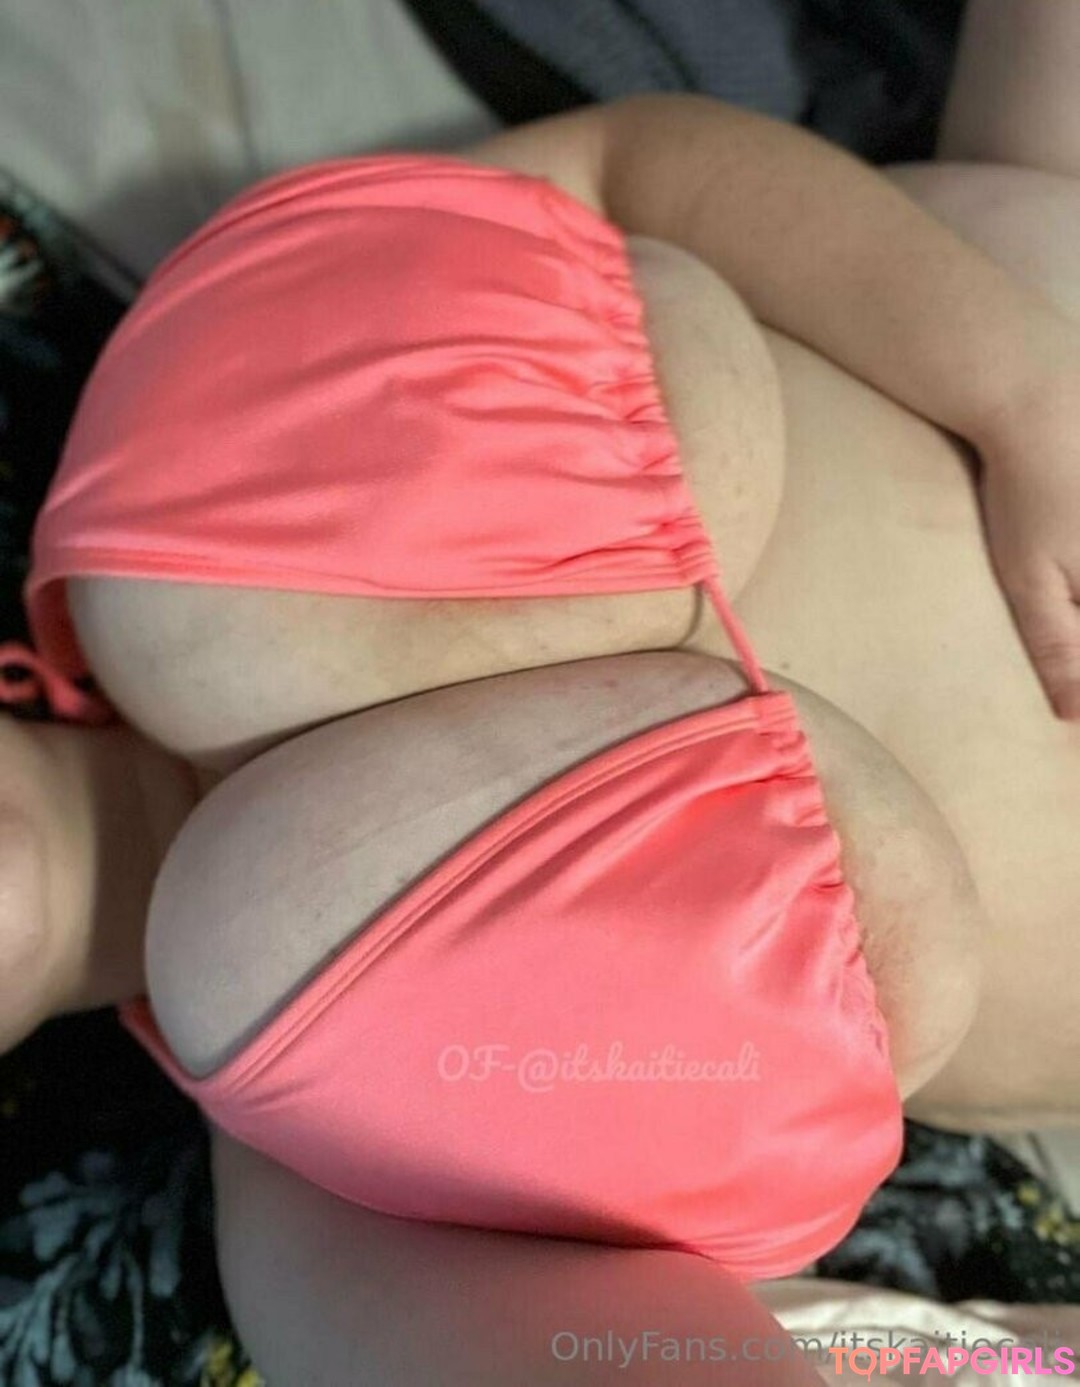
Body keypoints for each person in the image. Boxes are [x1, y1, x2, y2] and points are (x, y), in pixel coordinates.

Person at [2, 0, 1080, 1379]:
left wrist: (1020, 390)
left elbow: (632, 166)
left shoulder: (184, 419)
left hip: (1026, 283)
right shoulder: (338, 1186)